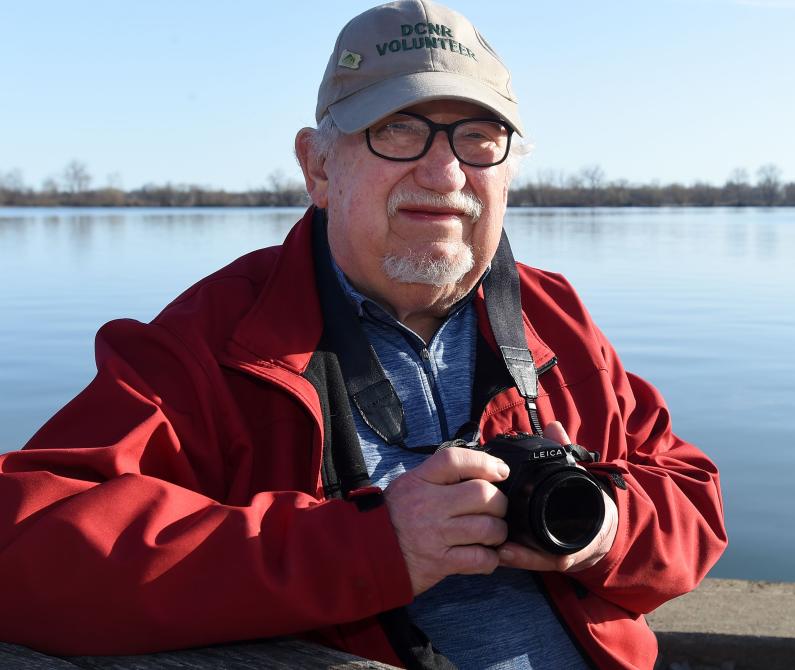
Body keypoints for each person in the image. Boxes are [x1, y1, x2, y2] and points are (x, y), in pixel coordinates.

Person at [0, 1, 726, 668]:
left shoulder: (551, 313)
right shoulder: (221, 336)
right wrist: (366, 547)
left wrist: (605, 530)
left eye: (479, 138)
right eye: (398, 130)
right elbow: (23, 543)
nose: (444, 172)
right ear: (319, 166)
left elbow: (693, 498)